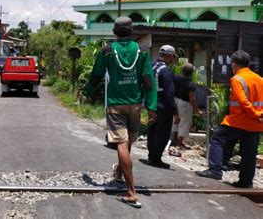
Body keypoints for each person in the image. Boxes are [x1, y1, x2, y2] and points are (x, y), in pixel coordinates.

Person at [84, 16, 157, 208]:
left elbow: (97, 74)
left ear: (115, 32)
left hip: (116, 104)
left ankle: (132, 193)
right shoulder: (140, 51)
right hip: (135, 105)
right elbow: (148, 79)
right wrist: (151, 106)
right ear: (131, 31)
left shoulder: (108, 51)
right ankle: (118, 174)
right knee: (126, 142)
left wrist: (87, 92)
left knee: (122, 144)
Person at [196, 50, 263, 188]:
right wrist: (259, 115)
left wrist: (254, 113)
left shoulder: (237, 79)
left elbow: (242, 101)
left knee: (216, 140)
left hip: (238, 120)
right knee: (249, 153)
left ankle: (215, 170)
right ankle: (245, 182)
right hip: (255, 124)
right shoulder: (259, 79)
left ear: (234, 65)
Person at [147, 45, 180, 169]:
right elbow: (169, 93)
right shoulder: (165, 70)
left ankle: (151, 156)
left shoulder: (151, 65)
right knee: (163, 133)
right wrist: (175, 112)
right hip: (163, 106)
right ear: (170, 56)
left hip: (151, 104)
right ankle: (156, 158)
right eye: (173, 57)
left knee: (152, 130)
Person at [171, 63, 204, 149]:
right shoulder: (191, 84)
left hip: (175, 100)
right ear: (191, 73)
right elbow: (192, 98)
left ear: (182, 70)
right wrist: (197, 110)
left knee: (175, 120)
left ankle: (174, 139)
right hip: (184, 103)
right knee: (184, 122)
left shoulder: (175, 78)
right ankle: (179, 143)